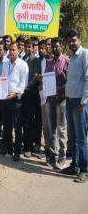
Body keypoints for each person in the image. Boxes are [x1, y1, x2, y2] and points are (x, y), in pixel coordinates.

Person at [61, 29, 88, 183]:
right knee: (73, 136)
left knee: (81, 138)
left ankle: (84, 170)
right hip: (70, 101)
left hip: (80, 103)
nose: (71, 43)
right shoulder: (72, 57)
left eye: (74, 40)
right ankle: (75, 166)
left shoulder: (85, 55)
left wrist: (83, 102)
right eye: (69, 41)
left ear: (79, 40)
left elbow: (87, 79)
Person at [0, 42, 28, 160]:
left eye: (14, 50)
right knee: (7, 125)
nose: (12, 52)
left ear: (19, 51)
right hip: (5, 98)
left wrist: (15, 93)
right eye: (10, 50)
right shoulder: (6, 64)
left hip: (16, 99)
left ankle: (17, 151)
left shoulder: (23, 65)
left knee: (17, 126)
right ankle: (7, 148)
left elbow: (23, 83)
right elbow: (2, 77)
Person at [43, 38, 69, 168]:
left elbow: (69, 82)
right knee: (51, 128)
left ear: (61, 46)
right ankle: (53, 156)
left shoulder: (66, 61)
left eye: (56, 46)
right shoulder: (49, 62)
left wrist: (62, 92)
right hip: (50, 99)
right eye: (52, 47)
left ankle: (62, 157)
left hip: (62, 99)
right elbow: (46, 79)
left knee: (62, 129)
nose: (54, 49)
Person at [21, 39, 42, 157]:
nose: (27, 49)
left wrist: (24, 89)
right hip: (22, 95)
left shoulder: (36, 60)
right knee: (23, 120)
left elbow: (35, 78)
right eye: (26, 47)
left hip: (31, 95)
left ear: (33, 47)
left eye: (29, 47)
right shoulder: (23, 59)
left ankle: (28, 147)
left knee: (29, 121)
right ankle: (24, 144)